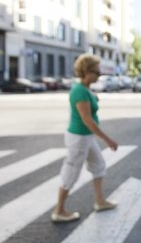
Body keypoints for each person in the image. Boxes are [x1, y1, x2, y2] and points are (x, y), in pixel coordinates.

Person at [51, 53, 118, 222]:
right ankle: (59, 211)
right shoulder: (79, 91)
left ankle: (100, 201)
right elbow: (87, 120)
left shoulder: (84, 88)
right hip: (79, 138)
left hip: (86, 137)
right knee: (71, 173)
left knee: (99, 165)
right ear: (86, 71)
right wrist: (108, 140)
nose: (99, 75)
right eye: (96, 72)